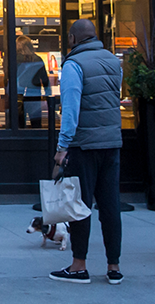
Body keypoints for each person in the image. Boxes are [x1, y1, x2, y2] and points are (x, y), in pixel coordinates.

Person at [50, 19, 124, 285]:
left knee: (79, 206)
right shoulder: (114, 62)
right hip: (112, 143)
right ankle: (114, 267)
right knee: (110, 205)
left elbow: (70, 109)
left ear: (72, 39)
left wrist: (62, 146)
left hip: (84, 145)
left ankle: (78, 266)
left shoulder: (73, 65)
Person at [16, 35, 50, 128]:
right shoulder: (37, 59)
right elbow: (45, 80)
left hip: (18, 95)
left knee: (18, 126)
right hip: (34, 94)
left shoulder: (15, 59)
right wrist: (48, 95)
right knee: (36, 125)